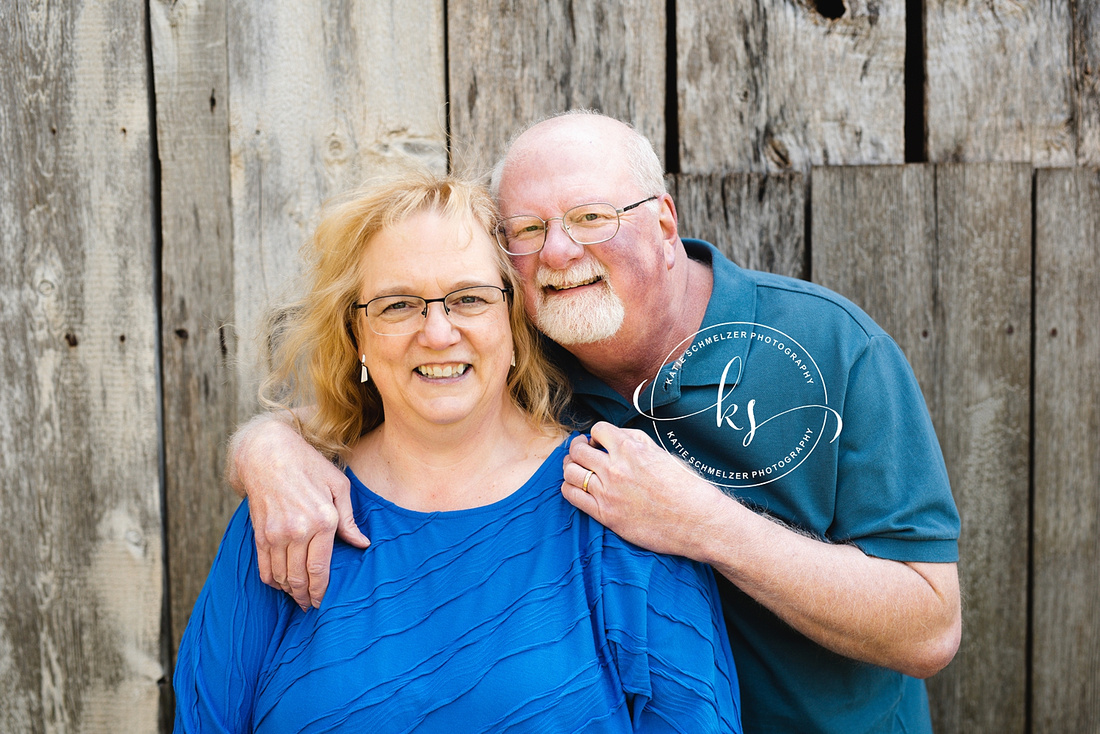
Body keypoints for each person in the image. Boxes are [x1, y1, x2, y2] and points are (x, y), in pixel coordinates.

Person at [229, 112, 962, 734]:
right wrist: (265, 447)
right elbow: (392, 402)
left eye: (591, 218)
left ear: (665, 223)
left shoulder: (827, 347)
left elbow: (930, 626)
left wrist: (703, 523)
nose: (558, 250)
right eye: (528, 229)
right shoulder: (528, 353)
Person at [174, 171, 741, 732]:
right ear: (357, 337)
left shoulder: (620, 503)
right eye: (398, 305)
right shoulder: (289, 517)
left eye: (468, 298)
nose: (439, 333)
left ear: (514, 324)